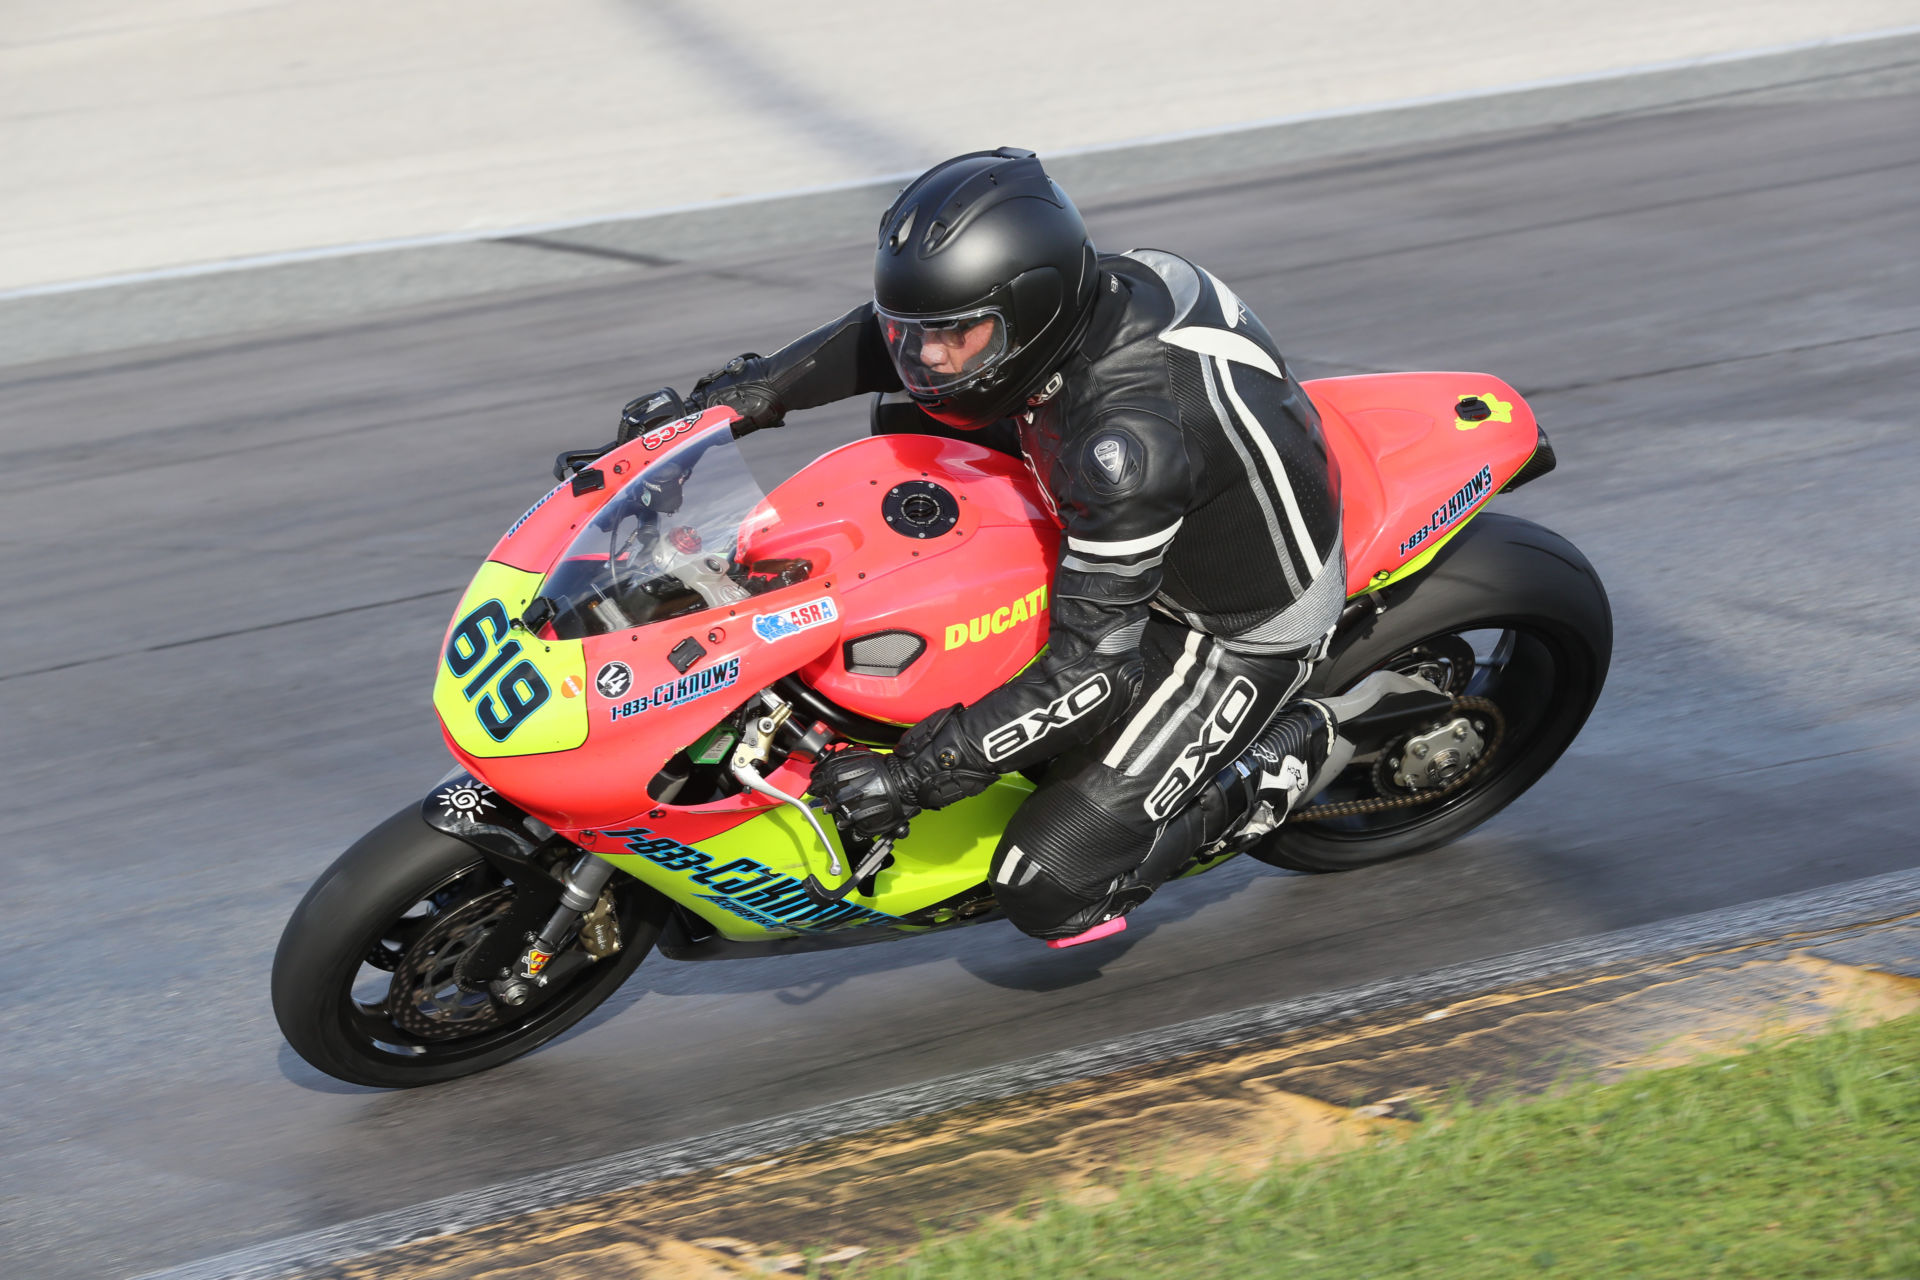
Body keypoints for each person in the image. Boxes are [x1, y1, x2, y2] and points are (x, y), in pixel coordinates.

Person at [657, 147, 1388, 945]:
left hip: (1229, 624)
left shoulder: (1126, 451)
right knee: (909, 426)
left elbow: (1094, 673)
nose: (925, 356)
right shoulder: (1082, 294)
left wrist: (913, 777)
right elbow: (897, 337)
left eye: (955, 336)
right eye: (918, 332)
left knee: (1049, 884)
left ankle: (1280, 761)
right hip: (1141, 497)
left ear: (1032, 312)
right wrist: (743, 396)